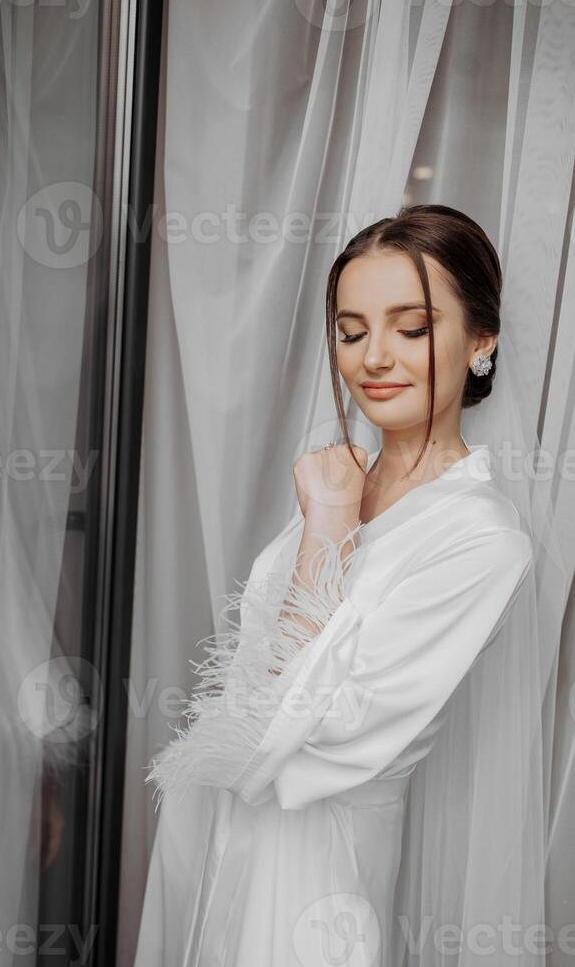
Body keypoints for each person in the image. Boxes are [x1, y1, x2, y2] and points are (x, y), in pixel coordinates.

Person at [134, 206, 565, 966]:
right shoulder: (347, 480)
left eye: (413, 326)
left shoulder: (481, 540)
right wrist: (332, 513)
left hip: (314, 879)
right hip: (216, 845)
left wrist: (328, 523)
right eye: (351, 329)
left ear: (482, 341)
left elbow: (306, 735)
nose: (374, 357)